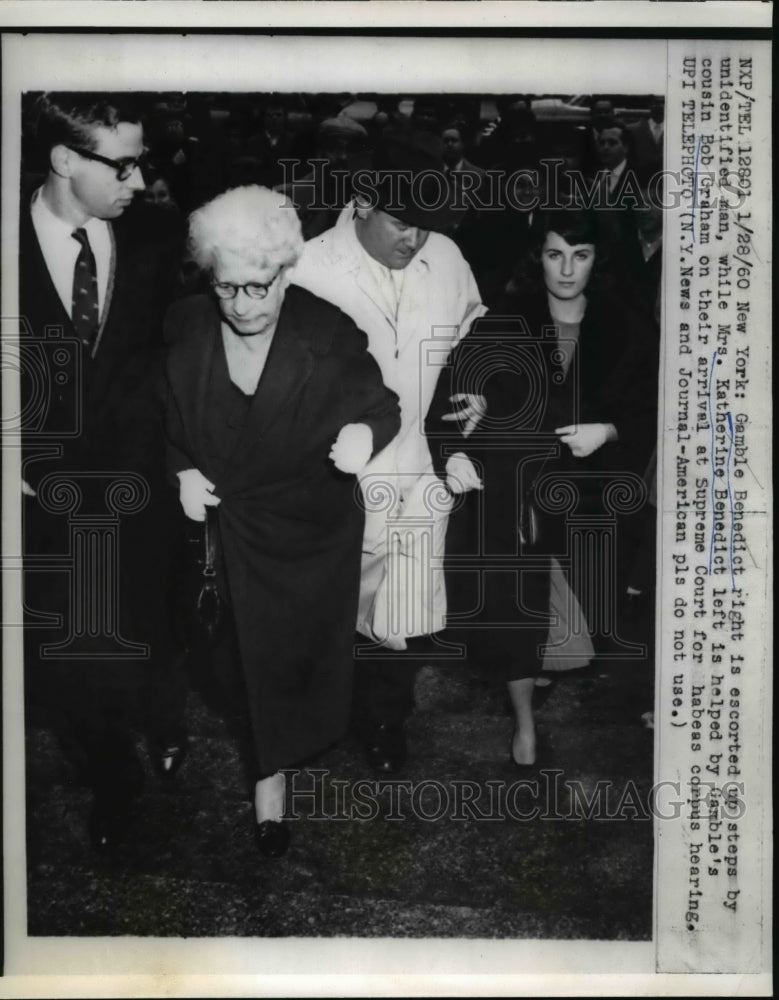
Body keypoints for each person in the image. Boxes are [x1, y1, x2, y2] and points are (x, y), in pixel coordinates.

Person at [163, 185, 400, 856]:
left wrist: (361, 433)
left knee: (282, 663)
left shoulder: (326, 332)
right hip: (220, 534)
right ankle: (267, 768)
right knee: (231, 662)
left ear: (285, 271)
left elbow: (382, 406)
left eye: (259, 288)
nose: (243, 306)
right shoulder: (183, 325)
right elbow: (156, 418)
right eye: (227, 289)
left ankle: (270, 782)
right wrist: (178, 468)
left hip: (303, 531)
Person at [429, 207, 658, 767]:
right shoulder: (506, 320)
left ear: (597, 261)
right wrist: (473, 421)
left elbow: (659, 404)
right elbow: (454, 397)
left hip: (596, 489)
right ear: (541, 259)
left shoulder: (626, 325)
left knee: (593, 615)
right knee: (516, 609)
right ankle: (524, 722)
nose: (566, 269)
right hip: (521, 488)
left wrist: (606, 430)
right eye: (555, 254)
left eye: (580, 256)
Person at [19, 92, 187, 851]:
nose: (139, 179)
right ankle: (114, 778)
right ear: (62, 160)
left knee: (145, 626)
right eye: (121, 164)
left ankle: (160, 713)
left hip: (142, 487)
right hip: (39, 500)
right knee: (68, 654)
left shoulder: (154, 238)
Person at [291, 126, 486, 773]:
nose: (415, 239)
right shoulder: (308, 268)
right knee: (328, 613)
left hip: (412, 469)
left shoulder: (447, 258)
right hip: (327, 480)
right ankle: (320, 718)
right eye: (405, 222)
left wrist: (473, 390)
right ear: (365, 202)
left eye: (428, 226)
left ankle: (384, 724)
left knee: (400, 614)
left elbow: (467, 340)